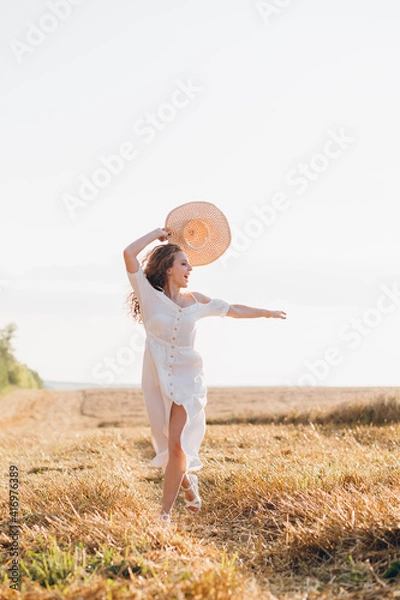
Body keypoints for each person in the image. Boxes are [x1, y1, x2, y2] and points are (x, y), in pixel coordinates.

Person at [123, 227, 286, 523]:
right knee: (166, 446)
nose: (190, 268)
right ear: (167, 268)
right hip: (158, 380)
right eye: (184, 263)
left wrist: (267, 312)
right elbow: (129, 253)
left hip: (188, 381)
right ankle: (188, 484)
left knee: (176, 445)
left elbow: (232, 308)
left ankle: (164, 516)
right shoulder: (148, 295)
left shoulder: (195, 300)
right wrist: (157, 234)